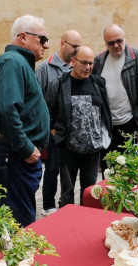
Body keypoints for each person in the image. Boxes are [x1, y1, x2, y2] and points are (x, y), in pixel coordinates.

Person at [0, 15, 50, 227]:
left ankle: (14, 259)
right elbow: (6, 110)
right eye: (42, 39)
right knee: (17, 222)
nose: (46, 45)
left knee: (16, 217)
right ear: (23, 37)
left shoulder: (18, 62)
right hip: (15, 156)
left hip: (17, 156)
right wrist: (25, 148)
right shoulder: (12, 62)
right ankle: (14, 260)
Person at [45, 46, 112, 206]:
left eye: (91, 63)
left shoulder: (98, 83)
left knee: (89, 191)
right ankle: (66, 220)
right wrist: (54, 131)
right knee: (67, 191)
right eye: (84, 62)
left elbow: (105, 112)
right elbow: (46, 111)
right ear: (73, 61)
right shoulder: (60, 84)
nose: (88, 67)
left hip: (93, 149)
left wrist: (104, 136)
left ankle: (85, 219)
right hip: (68, 149)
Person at [92, 24, 138, 171]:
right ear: (105, 43)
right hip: (106, 125)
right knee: (108, 167)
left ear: (125, 38)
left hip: (129, 123)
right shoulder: (99, 61)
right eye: (111, 43)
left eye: (119, 41)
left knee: (129, 168)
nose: (116, 45)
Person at [35, 29, 82, 216]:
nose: (77, 50)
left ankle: (66, 203)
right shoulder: (45, 68)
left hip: (74, 131)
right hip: (55, 130)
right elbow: (38, 102)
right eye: (74, 46)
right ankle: (48, 204)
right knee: (52, 168)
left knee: (69, 170)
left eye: (79, 46)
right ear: (63, 44)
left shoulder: (77, 67)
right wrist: (50, 128)